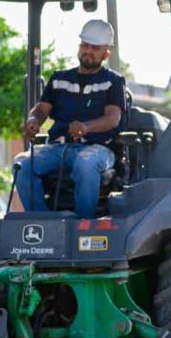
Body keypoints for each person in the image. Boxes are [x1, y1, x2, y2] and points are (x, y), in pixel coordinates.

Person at [16, 19, 126, 219]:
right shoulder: (59, 79)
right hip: (58, 148)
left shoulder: (113, 82)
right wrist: (33, 120)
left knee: (86, 163)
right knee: (21, 165)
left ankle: (82, 224)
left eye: (95, 47)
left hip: (99, 149)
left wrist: (86, 127)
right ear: (79, 47)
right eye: (85, 45)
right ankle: (42, 221)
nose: (88, 51)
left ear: (106, 53)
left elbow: (113, 118)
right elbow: (41, 110)